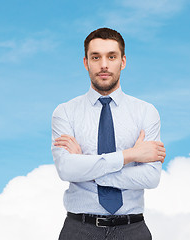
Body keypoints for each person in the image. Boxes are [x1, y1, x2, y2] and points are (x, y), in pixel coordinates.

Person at [51, 27, 166, 240]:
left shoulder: (146, 112)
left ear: (123, 61)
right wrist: (130, 155)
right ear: (86, 62)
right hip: (79, 229)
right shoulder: (65, 112)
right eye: (96, 57)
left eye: (111, 56)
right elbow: (67, 169)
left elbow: (151, 177)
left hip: (133, 229)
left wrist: (87, 167)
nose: (104, 64)